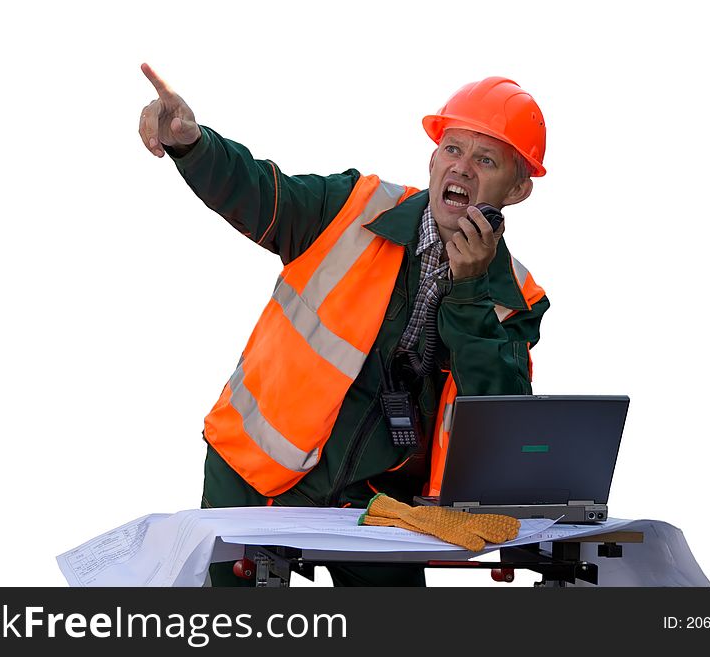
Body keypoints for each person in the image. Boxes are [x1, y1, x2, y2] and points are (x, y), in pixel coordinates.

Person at [137, 63, 550, 586]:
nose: (462, 169)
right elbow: (262, 193)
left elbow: (502, 430)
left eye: (485, 159)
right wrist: (193, 145)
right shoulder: (352, 208)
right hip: (258, 470)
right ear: (432, 157)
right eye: (452, 149)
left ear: (517, 191)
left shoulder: (516, 297)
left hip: (379, 503)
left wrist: (469, 293)